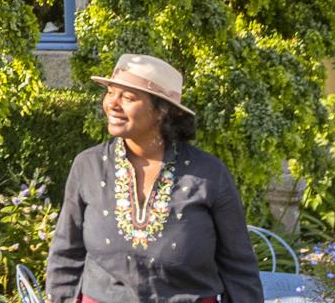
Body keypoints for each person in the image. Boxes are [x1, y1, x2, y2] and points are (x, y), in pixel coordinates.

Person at [45, 54, 263, 303]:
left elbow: (239, 267)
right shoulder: (89, 167)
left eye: (128, 97)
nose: (112, 104)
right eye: (110, 92)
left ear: (162, 111)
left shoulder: (208, 175)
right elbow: (65, 256)